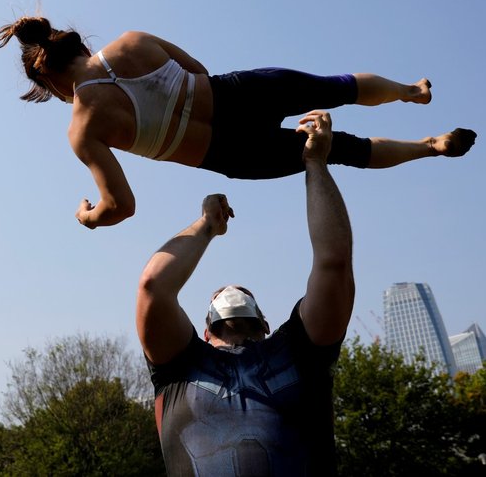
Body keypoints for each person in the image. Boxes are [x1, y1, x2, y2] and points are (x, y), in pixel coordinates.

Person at [0, 16, 476, 228]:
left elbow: (122, 206)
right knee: (336, 86)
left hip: (230, 155)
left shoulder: (82, 129)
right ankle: (412, 91)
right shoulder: (131, 41)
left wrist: (88, 216)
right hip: (238, 94)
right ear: (74, 43)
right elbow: (196, 68)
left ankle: (429, 147)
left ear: (48, 83)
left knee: (344, 151)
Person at [135, 110, 352, 475]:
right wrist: (205, 227)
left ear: (265, 323)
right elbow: (153, 287)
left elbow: (334, 262)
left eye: (241, 290)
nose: (230, 289)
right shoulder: (179, 366)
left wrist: (316, 162)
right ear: (205, 331)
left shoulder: (301, 352)